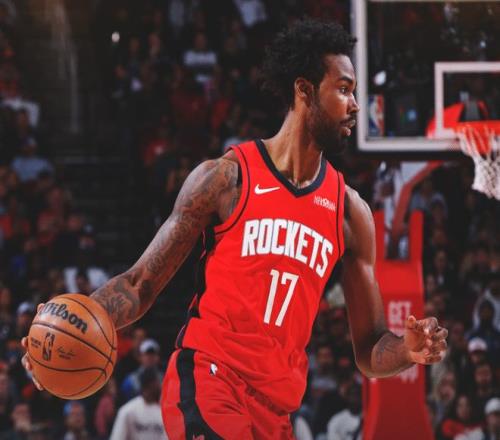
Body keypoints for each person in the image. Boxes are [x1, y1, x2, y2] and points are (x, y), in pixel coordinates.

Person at [22, 19, 448, 439]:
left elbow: (370, 349)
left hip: (276, 411)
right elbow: (139, 285)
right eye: (343, 89)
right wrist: (68, 327)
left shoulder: (349, 213)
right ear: (304, 90)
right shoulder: (226, 179)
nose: (355, 105)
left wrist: (406, 350)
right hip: (210, 379)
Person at [109, 367, 167, 440]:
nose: (160, 386)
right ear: (150, 385)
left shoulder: (164, 411)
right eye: (158, 382)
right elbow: (117, 437)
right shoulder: (128, 410)